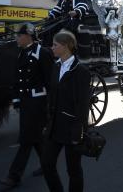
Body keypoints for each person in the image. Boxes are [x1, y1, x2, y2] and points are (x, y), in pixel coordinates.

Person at [0, 23, 54, 188]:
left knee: (26, 140)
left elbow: (50, 81)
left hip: (38, 103)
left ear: (28, 36)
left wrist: (50, 106)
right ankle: (48, 165)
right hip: (26, 102)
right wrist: (16, 99)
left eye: (19, 35)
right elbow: (17, 79)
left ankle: (14, 176)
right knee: (36, 139)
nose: (16, 38)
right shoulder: (21, 53)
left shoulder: (42, 53)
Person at [41, 30, 91, 192]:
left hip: (71, 128)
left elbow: (83, 104)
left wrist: (79, 130)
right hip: (55, 126)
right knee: (47, 164)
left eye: (55, 45)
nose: (52, 48)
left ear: (65, 46)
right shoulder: (56, 67)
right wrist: (48, 121)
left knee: (73, 170)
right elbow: (52, 96)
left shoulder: (81, 71)